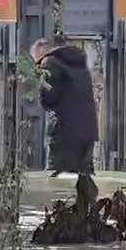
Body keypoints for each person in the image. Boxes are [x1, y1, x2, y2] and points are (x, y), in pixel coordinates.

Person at [30, 36, 99, 178]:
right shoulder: (79, 63)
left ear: (40, 55)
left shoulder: (49, 63)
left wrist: (40, 87)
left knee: (58, 182)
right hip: (88, 132)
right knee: (85, 180)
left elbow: (48, 99)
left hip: (64, 132)